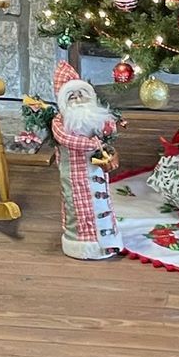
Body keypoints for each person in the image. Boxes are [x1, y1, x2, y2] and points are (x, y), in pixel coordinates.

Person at [51, 60, 122, 259]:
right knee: (80, 208)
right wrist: (93, 144)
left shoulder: (94, 115)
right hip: (75, 175)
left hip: (97, 171)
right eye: (71, 96)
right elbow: (67, 139)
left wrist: (108, 131)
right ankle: (82, 243)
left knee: (102, 202)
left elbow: (108, 127)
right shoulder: (60, 121)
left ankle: (108, 242)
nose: (77, 99)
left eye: (81, 94)